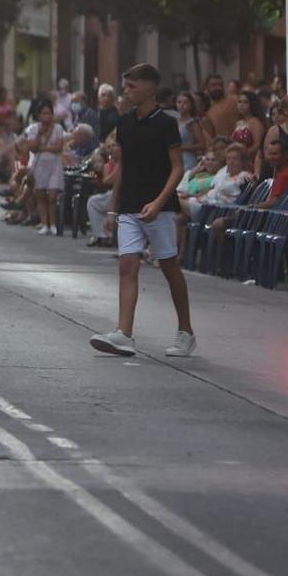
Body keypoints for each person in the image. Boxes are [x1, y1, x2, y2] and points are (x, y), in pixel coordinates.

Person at [90, 64, 197, 359]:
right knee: (127, 265)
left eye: (132, 86)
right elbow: (123, 168)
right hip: (130, 207)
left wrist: (160, 202)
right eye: (125, 86)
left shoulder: (165, 124)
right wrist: (112, 209)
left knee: (169, 267)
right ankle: (124, 333)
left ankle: (186, 331)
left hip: (159, 208)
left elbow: (176, 168)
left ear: (149, 88)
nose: (127, 91)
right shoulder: (124, 124)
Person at [22, 102, 67, 235]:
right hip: (40, 164)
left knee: (52, 196)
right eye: (43, 113)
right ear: (38, 115)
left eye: (48, 113)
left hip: (54, 165)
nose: (46, 116)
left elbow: (58, 147)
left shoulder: (58, 128)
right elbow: (32, 147)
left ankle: (53, 223)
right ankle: (44, 223)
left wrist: (43, 148)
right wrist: (39, 135)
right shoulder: (33, 129)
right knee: (40, 195)